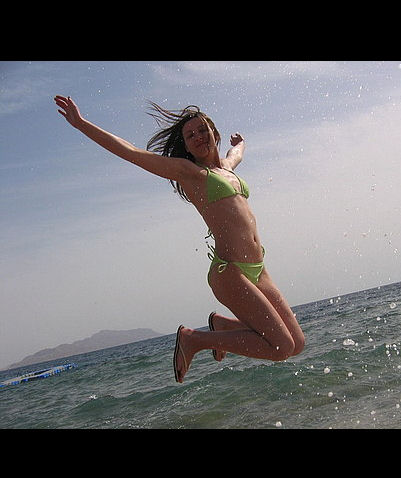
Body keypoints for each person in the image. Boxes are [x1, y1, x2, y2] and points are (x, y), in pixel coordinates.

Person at [54, 95, 305, 383]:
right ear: (185, 146)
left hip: (259, 270)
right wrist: (82, 124)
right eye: (190, 135)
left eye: (202, 130)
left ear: (214, 132)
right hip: (230, 272)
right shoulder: (190, 173)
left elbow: (236, 153)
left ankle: (223, 326)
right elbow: (132, 152)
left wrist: (241, 143)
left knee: (296, 344)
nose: (198, 137)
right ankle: (195, 339)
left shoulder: (227, 168)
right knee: (281, 347)